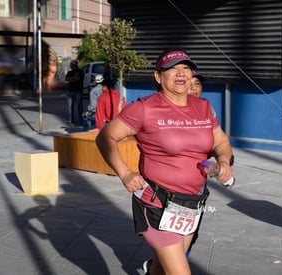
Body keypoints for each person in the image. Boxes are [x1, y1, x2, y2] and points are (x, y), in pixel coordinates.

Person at [95, 48, 234, 275]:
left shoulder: (203, 106)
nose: (180, 73)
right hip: (157, 202)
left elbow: (221, 141)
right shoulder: (144, 108)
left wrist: (224, 161)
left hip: (191, 203)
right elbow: (105, 137)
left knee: (161, 268)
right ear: (159, 77)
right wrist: (125, 173)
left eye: (185, 68)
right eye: (172, 68)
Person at [65, 60, 84, 125]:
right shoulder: (70, 72)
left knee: (79, 107)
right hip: (70, 91)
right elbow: (66, 78)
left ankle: (81, 121)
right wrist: (74, 78)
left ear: (74, 65)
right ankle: (71, 121)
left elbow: (78, 79)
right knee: (70, 107)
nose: (70, 66)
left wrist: (72, 79)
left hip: (78, 91)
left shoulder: (80, 71)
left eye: (71, 64)